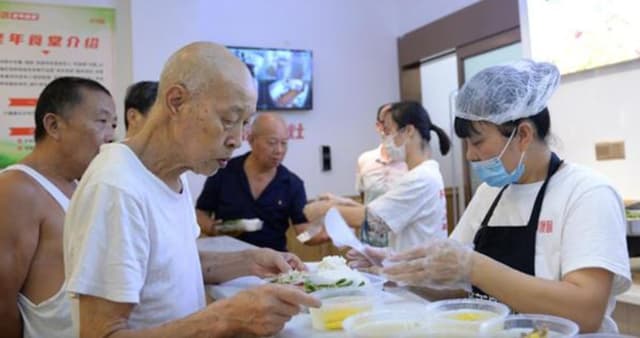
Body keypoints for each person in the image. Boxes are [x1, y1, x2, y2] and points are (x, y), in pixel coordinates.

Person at [353, 60, 631, 333]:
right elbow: (461, 290)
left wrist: (473, 266)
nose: (470, 155)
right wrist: (401, 271)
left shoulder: (587, 193)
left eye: (478, 142)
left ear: (523, 134)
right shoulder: (490, 193)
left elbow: (586, 311)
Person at [63, 42, 319, 338]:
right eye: (228, 120)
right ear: (176, 101)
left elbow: (170, 267)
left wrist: (250, 261)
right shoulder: (117, 188)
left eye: (244, 123)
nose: (236, 139)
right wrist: (223, 318)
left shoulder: (173, 174)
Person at [0, 77, 117, 338]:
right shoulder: (16, 190)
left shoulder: (79, 185)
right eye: (101, 121)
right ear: (54, 125)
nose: (111, 136)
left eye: (114, 124)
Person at [304, 101, 450, 251]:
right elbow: (382, 210)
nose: (386, 139)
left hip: (416, 269)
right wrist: (343, 203)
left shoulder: (420, 178)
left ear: (409, 131)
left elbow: (374, 220)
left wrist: (325, 210)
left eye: (389, 132)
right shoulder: (423, 173)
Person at [196, 112, 327, 250]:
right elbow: (200, 214)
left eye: (284, 143)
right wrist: (214, 229)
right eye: (272, 142)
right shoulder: (224, 172)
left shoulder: (292, 184)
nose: (279, 150)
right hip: (228, 259)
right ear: (251, 140)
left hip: (274, 263)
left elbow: (302, 235)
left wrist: (322, 233)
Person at [355, 103, 408, 205]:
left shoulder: (410, 161)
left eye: (396, 123)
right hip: (372, 219)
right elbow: (363, 196)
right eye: (386, 124)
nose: (391, 129)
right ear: (378, 126)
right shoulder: (364, 159)